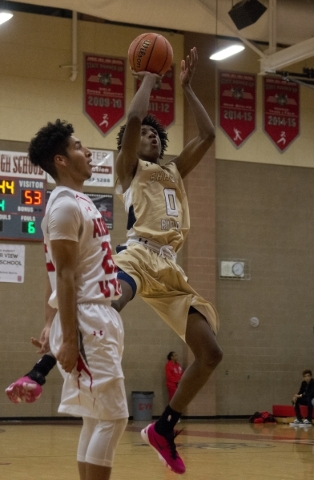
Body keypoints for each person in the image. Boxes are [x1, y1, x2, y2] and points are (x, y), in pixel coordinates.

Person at [6, 47, 222, 475]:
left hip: (171, 268)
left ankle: (165, 427)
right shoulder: (130, 171)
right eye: (143, 135)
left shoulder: (174, 171)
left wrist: (187, 88)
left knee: (211, 352)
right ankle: (42, 367)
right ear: (128, 146)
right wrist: (151, 79)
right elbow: (134, 120)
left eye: (156, 136)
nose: (151, 138)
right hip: (140, 253)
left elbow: (211, 135)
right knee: (104, 304)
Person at [7, 119, 129, 480]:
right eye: (78, 147)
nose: (88, 152)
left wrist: (49, 323)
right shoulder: (63, 206)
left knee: (96, 418)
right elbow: (62, 274)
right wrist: (69, 336)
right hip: (87, 321)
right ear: (60, 160)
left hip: (96, 318)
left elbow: (60, 272)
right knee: (115, 418)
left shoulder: (79, 200)